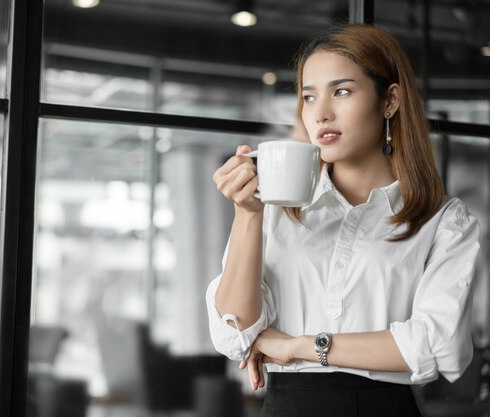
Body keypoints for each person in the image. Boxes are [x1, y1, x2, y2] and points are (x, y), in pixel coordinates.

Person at [206, 24, 481, 417]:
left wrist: (299, 346)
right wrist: (248, 214)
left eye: (342, 91)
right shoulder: (273, 210)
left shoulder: (443, 221)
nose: (321, 113)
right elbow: (236, 333)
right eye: (308, 96)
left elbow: (438, 345)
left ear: (390, 101)